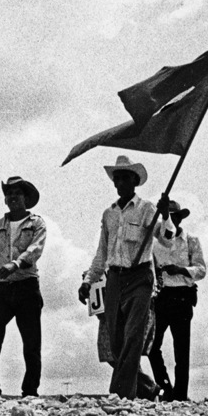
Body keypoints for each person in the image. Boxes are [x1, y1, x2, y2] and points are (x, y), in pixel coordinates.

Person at [77, 155, 169, 399]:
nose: (119, 182)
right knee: (116, 343)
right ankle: (148, 388)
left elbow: (166, 238)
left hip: (139, 276)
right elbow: (102, 253)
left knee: (133, 336)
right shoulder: (109, 214)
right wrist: (88, 281)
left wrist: (165, 214)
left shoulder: (147, 208)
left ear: (135, 181)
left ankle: (120, 395)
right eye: (116, 178)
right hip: (114, 279)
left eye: (124, 177)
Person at [0, 176, 47, 398]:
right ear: (5, 199)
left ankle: (30, 391)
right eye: (9, 193)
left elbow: (35, 250)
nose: (13, 197)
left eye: (17, 192)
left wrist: (14, 265)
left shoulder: (36, 223)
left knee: (31, 343)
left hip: (27, 286)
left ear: (26, 198)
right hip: (3, 289)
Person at [148, 198, 206, 401]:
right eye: (167, 217)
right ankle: (165, 388)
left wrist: (181, 270)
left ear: (180, 219)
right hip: (162, 297)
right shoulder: (155, 243)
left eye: (174, 217)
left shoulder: (191, 240)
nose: (170, 221)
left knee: (182, 350)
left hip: (183, 296)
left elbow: (201, 270)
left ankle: (180, 395)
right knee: (152, 346)